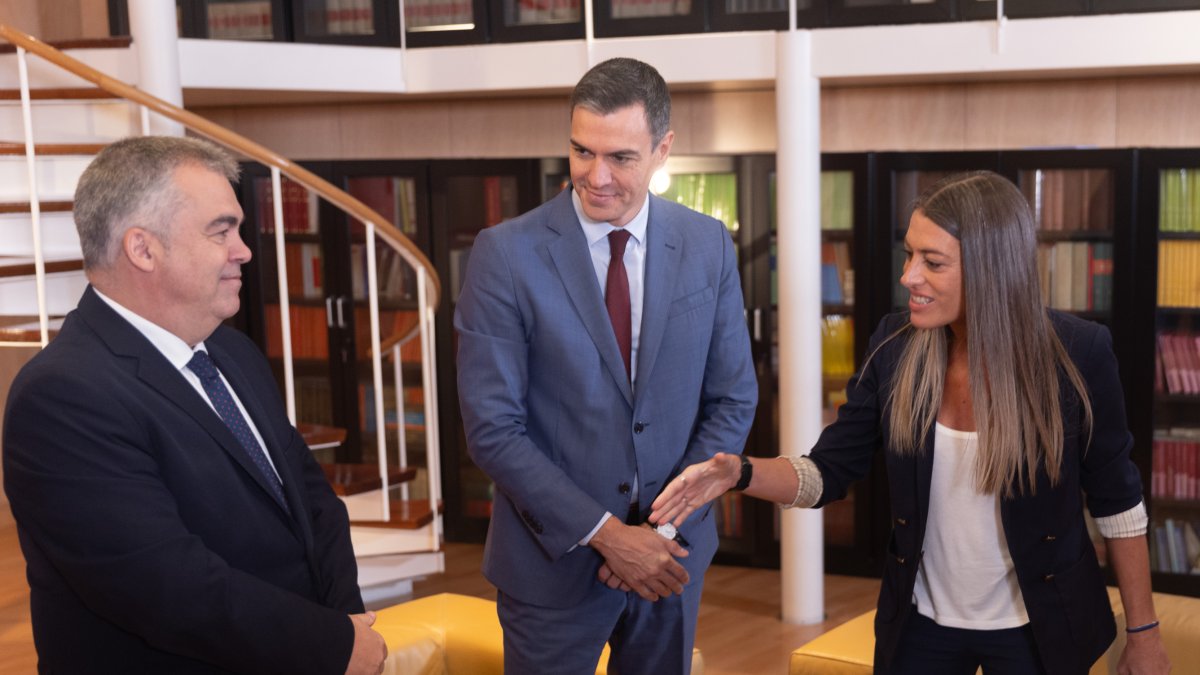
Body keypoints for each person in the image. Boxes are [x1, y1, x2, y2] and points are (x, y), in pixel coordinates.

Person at [650, 171, 1171, 675]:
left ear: (992, 269)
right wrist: (737, 473)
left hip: (1041, 626)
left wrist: (1144, 633)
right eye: (909, 254)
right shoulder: (894, 346)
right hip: (920, 626)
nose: (908, 277)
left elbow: (1118, 502)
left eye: (933, 262)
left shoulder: (1078, 353)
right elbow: (827, 472)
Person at [2, 136, 388, 674]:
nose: (244, 250)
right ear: (143, 249)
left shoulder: (234, 351)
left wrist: (346, 624)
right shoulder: (63, 397)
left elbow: (316, 506)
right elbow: (166, 586)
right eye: (221, 230)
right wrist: (331, 645)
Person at [454, 57, 758, 674]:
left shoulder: (707, 244)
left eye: (620, 157)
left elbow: (732, 398)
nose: (596, 177)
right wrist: (613, 539)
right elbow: (493, 429)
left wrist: (662, 534)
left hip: (671, 562)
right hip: (551, 568)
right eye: (581, 151)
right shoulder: (504, 254)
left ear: (663, 148)